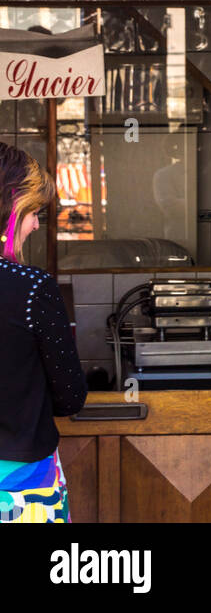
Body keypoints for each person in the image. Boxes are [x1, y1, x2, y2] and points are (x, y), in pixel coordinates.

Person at [0, 142, 87, 523]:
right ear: (10, 207)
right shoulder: (32, 287)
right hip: (22, 484)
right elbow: (71, 397)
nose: (36, 223)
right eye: (33, 211)